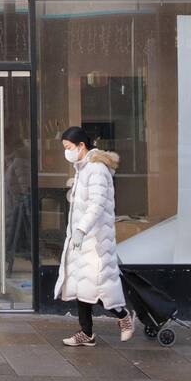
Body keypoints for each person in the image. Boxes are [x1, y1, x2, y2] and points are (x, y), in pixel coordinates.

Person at [55, 125, 134, 347]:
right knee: (82, 287)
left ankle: (123, 317)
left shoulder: (96, 169)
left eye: (69, 147)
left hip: (96, 240)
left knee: (100, 288)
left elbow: (97, 204)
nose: (67, 152)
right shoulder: (83, 168)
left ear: (81, 146)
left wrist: (81, 230)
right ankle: (86, 333)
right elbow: (85, 201)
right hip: (83, 240)